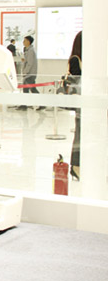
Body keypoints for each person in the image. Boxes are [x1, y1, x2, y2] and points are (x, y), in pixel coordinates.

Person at [68, 31, 82, 181]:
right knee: (80, 133)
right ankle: (76, 165)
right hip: (81, 103)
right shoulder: (75, 60)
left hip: (84, 103)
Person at [18, 35, 43, 110]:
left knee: (32, 89)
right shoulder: (29, 50)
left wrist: (25, 72)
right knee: (26, 89)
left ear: (28, 42)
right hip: (29, 74)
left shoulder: (31, 51)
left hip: (29, 74)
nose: (23, 42)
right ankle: (24, 104)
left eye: (25, 41)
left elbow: (30, 64)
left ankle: (42, 103)